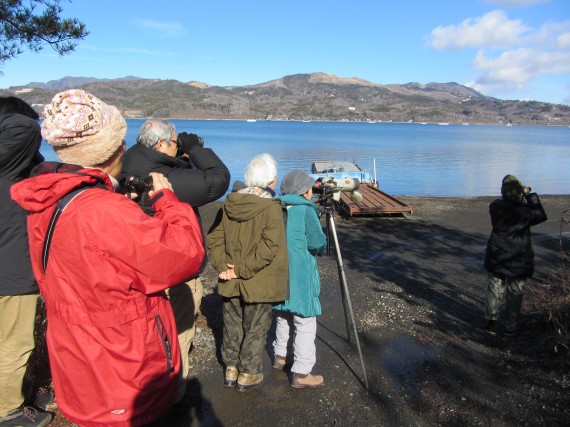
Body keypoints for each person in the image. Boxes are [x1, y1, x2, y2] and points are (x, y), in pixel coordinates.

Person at [10, 89, 205, 427]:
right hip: (121, 365)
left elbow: (93, 261)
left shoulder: (47, 197)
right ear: (111, 149)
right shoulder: (101, 211)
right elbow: (185, 256)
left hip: (77, 358)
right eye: (121, 142)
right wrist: (168, 201)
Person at [120, 119, 230, 402]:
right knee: (177, 334)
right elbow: (217, 180)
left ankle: (150, 390)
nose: (178, 147)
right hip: (173, 273)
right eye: (175, 143)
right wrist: (194, 149)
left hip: (138, 269)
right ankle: (173, 395)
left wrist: (183, 154)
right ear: (160, 145)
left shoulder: (129, 162)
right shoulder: (160, 177)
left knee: (147, 335)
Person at [207, 153, 289, 392]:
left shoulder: (230, 203)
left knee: (232, 324)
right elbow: (269, 248)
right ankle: (248, 373)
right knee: (255, 328)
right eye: (274, 177)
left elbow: (214, 238)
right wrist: (238, 270)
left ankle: (231, 368)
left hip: (231, 280)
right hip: (257, 282)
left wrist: (224, 267)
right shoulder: (271, 207)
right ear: (271, 180)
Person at [0, 98, 52, 427]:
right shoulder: (6, 164)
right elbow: (25, 127)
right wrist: (27, 115)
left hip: (8, 264)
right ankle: (8, 411)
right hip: (11, 271)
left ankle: (18, 392)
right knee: (14, 343)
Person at [272, 170, 327, 388]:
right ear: (305, 191)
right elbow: (317, 243)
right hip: (300, 272)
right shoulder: (306, 210)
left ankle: (280, 356)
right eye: (310, 188)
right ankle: (302, 373)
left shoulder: (275, 206)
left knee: (282, 314)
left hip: (278, 271)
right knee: (305, 319)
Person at [484, 174, 547, 336]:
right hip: (519, 257)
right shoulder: (525, 212)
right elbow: (541, 215)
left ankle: (491, 322)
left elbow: (506, 203)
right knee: (515, 292)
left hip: (497, 253)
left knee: (495, 287)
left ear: (503, 192)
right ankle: (510, 325)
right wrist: (529, 195)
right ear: (519, 191)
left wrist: (519, 194)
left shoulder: (495, 207)